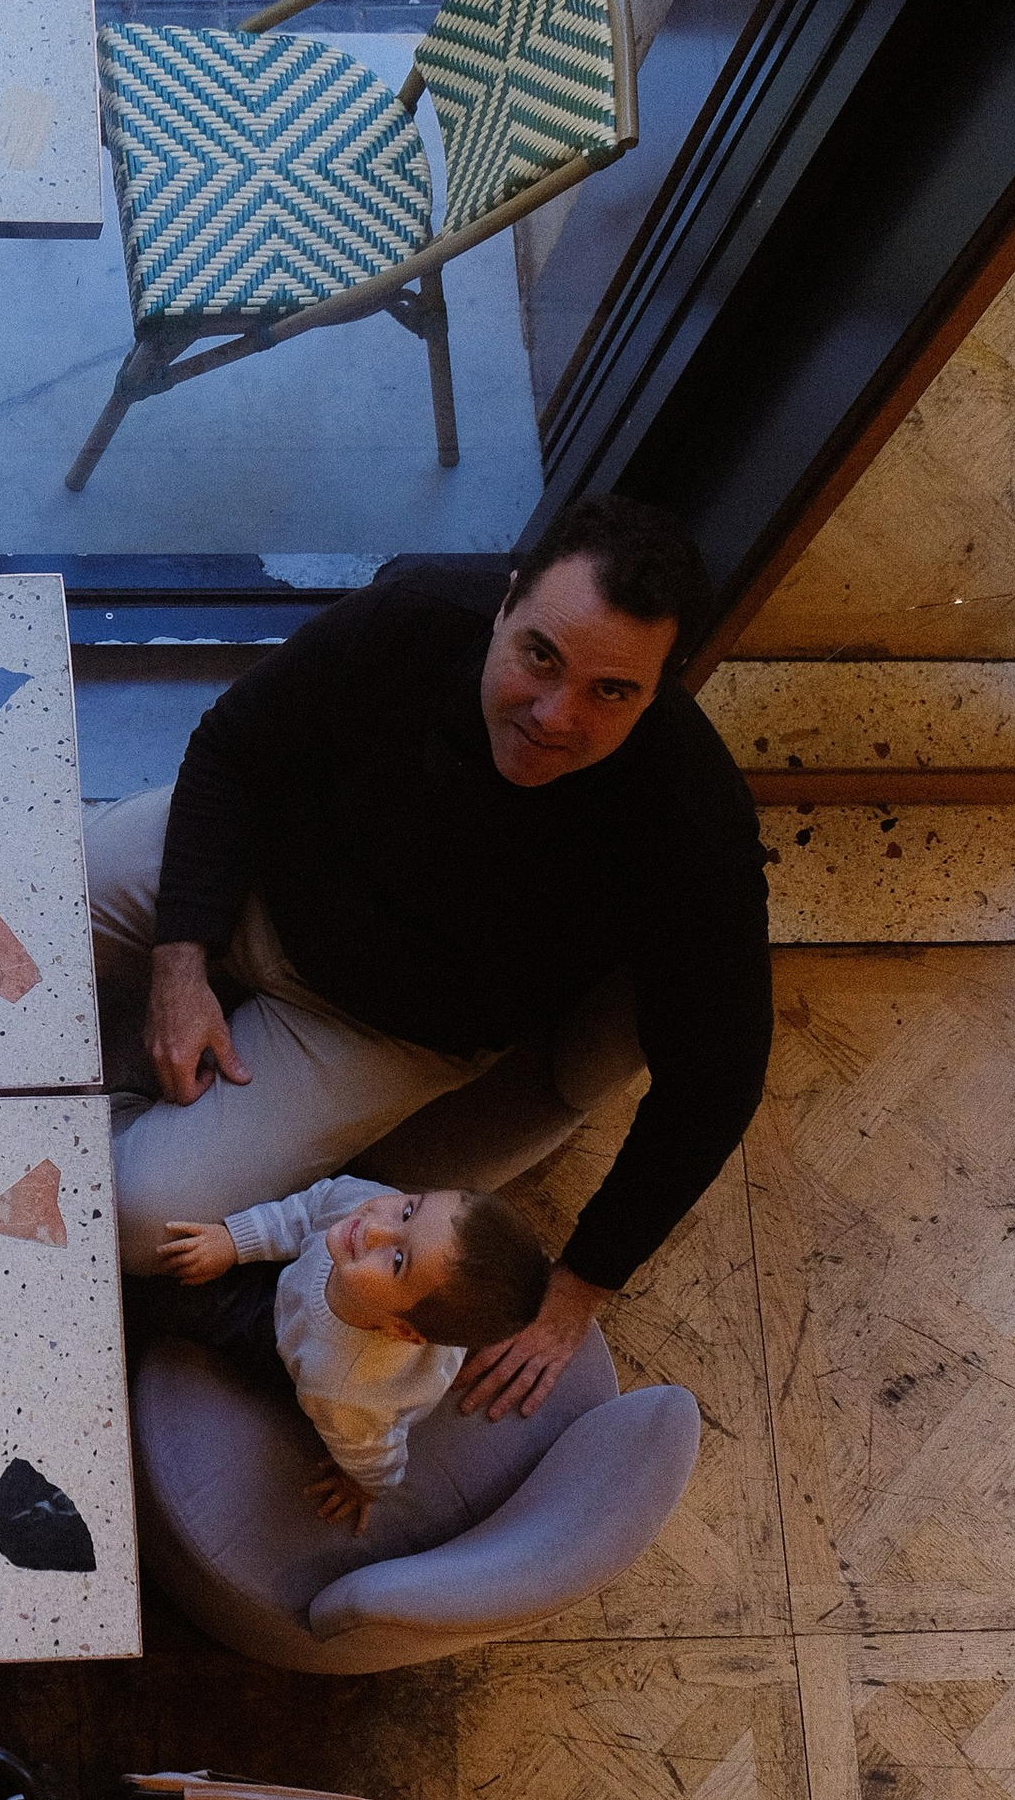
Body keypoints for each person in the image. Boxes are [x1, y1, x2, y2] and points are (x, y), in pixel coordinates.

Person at [84, 492, 772, 1419]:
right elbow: (234, 745)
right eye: (540, 655)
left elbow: (718, 1081)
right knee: (5, 898)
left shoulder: (692, 826)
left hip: (372, 1028)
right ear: (506, 601)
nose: (555, 716)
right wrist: (180, 961)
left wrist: (579, 1289)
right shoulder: (417, 615)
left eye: (612, 691)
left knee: (134, 1218)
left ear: (661, 689)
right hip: (259, 873)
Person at [155, 1178, 550, 1530]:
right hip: (307, 1291)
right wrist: (235, 1240)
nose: (375, 1228)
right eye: (410, 1209)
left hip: (281, 1337)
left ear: (399, 1329)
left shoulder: (342, 1388)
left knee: (175, 1299)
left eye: (397, 1261)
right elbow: (313, 1206)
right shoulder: (370, 1207)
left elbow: (372, 1450)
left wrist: (364, 1485)